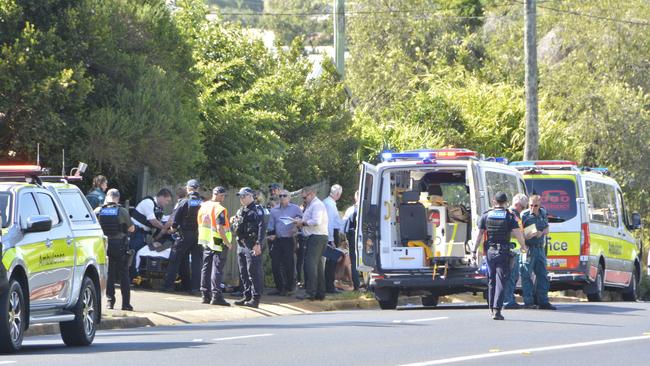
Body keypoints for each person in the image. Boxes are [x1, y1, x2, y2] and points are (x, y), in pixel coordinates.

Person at [474, 192, 526, 320]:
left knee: (491, 280)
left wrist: (473, 250)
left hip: (490, 252)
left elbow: (479, 235)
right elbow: (518, 233)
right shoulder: (509, 216)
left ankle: (491, 308)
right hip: (503, 252)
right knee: (501, 280)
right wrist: (523, 246)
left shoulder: (486, 215)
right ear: (506, 202)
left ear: (493, 201)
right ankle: (497, 310)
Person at [96, 189, 135, 311]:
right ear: (117, 198)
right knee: (124, 274)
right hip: (119, 246)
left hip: (104, 246)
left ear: (107, 197)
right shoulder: (122, 211)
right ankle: (125, 304)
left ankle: (109, 302)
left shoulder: (98, 210)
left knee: (109, 274)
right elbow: (131, 229)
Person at [163, 180, 204, 294]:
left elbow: (175, 220)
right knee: (197, 262)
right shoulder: (203, 202)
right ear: (198, 189)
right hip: (198, 235)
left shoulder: (184, 202)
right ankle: (195, 288)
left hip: (184, 235)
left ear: (188, 189)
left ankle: (168, 286)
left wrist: (172, 230)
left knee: (175, 260)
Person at [520, 194, 557, 310]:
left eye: (535, 206)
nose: (533, 208)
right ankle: (528, 301)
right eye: (531, 205)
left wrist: (541, 232)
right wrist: (530, 233)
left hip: (540, 248)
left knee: (543, 275)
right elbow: (519, 233)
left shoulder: (543, 213)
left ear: (539, 205)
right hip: (529, 248)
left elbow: (547, 229)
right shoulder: (524, 215)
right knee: (526, 275)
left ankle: (543, 301)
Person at [198, 186, 232, 306]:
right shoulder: (219, 208)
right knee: (217, 269)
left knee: (206, 267)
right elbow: (219, 228)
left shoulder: (204, 206)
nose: (223, 198)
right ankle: (216, 296)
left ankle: (205, 295)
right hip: (218, 241)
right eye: (222, 195)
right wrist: (227, 243)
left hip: (206, 240)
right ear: (218, 195)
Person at [233, 187, 266, 308]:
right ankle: (246, 295)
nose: (241, 199)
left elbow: (262, 227)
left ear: (250, 196)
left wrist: (258, 243)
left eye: (243, 196)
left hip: (252, 244)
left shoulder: (257, 209)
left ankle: (255, 298)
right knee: (243, 272)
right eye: (240, 197)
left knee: (253, 271)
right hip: (241, 243)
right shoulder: (242, 210)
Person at [129, 188, 173, 279]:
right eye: (167, 200)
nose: (167, 203)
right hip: (137, 233)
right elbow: (153, 221)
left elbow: (161, 219)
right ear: (162, 197)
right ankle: (132, 277)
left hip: (144, 234)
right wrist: (164, 228)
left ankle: (137, 276)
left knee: (140, 254)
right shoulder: (148, 202)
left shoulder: (157, 207)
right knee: (134, 254)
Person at [295, 186, 328, 301]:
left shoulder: (316, 205)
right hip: (316, 237)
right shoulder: (312, 205)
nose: (304, 200)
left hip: (316, 237)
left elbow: (316, 221)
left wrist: (302, 223)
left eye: (305, 197)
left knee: (310, 265)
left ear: (311, 194)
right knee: (317, 266)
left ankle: (310, 293)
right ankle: (320, 292)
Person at [267, 189, 302, 296]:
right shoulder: (274, 210)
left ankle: (289, 287)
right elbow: (271, 225)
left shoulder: (295, 209)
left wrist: (296, 227)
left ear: (289, 197)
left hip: (289, 239)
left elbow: (301, 220)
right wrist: (271, 234)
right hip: (277, 240)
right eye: (280, 196)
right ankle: (279, 287)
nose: (282, 198)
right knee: (275, 264)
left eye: (284, 196)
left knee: (289, 264)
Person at [503, 193, 528, 309]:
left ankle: (509, 298)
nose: (523, 210)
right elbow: (511, 232)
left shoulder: (516, 215)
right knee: (511, 276)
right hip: (512, 250)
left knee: (514, 276)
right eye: (522, 207)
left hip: (516, 250)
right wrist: (522, 235)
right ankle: (508, 300)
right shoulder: (510, 214)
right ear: (517, 204)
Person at [323, 184, 345, 293]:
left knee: (331, 261)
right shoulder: (330, 205)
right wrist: (331, 240)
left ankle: (329, 285)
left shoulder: (329, 203)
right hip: (331, 235)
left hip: (331, 234)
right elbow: (330, 223)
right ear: (337, 194)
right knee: (331, 262)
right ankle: (329, 287)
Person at [342, 190, 361, 291]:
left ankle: (356, 284)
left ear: (355, 197)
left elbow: (344, 225)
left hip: (353, 236)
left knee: (354, 261)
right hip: (365, 236)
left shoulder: (351, 209)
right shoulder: (367, 208)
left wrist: (345, 239)